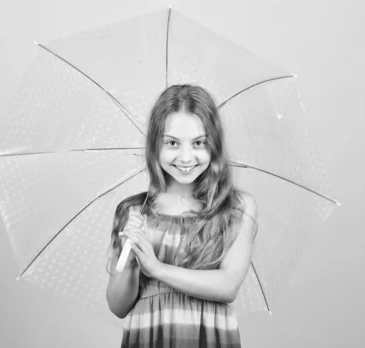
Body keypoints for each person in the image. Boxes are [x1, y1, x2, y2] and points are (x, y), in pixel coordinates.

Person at [106, 84, 258, 347]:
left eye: (199, 143)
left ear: (214, 145)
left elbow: (227, 286)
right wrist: (129, 255)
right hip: (150, 336)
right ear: (155, 145)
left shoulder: (235, 207)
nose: (186, 157)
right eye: (172, 143)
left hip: (209, 337)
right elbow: (118, 306)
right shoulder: (134, 210)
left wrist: (157, 268)